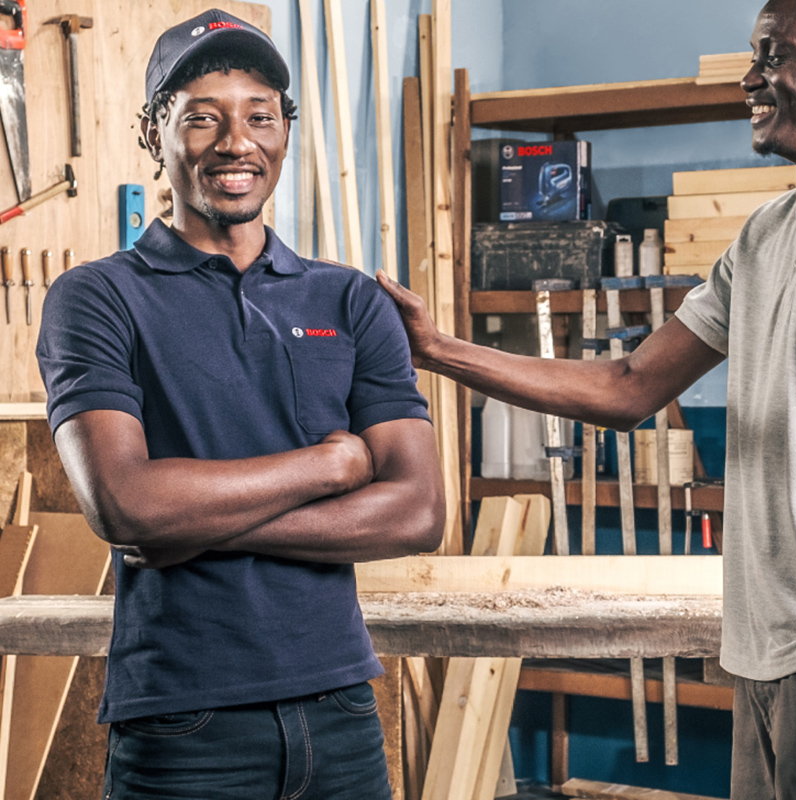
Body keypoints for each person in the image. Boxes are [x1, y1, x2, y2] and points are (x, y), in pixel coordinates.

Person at [377, 0, 796, 797]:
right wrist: (437, 350)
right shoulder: (769, 234)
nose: (752, 78)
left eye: (777, 55)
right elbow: (630, 387)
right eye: (754, 56)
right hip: (770, 665)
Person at [36, 9, 443, 799]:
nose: (236, 141)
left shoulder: (351, 299)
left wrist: (195, 526)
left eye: (260, 115)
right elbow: (126, 506)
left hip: (343, 710)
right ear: (153, 134)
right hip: (184, 725)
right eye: (201, 118)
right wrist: (332, 463)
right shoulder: (96, 298)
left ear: (285, 132)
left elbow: (418, 511)